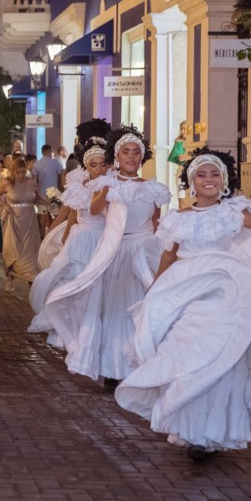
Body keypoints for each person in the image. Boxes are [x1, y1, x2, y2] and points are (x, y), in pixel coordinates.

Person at [115, 149, 251, 463]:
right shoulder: (179, 218)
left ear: (224, 180)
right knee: (187, 360)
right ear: (191, 182)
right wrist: (154, 293)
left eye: (215, 174)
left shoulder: (233, 213)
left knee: (223, 362)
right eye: (202, 174)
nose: (208, 180)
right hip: (188, 298)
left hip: (226, 297)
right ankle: (191, 430)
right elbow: (168, 257)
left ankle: (213, 433)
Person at [40, 125, 170, 386]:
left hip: (144, 251)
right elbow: (94, 209)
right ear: (117, 157)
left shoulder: (153, 189)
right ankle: (114, 368)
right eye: (125, 152)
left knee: (145, 307)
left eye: (136, 152)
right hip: (116, 251)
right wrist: (107, 191)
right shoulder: (106, 184)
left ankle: (143, 365)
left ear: (142, 157)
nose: (131, 156)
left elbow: (156, 223)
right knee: (115, 310)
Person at [29, 141, 110, 344]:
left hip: (103, 238)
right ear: (86, 167)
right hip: (80, 239)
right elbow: (73, 215)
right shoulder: (78, 188)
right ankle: (72, 326)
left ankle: (94, 327)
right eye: (93, 165)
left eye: (102, 164)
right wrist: (64, 239)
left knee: (99, 285)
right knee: (74, 280)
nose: (98, 169)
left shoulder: (111, 186)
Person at [0, 158, 49, 293]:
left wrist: (49, 203)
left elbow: (37, 198)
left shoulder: (31, 182)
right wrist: (4, 205)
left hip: (29, 220)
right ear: (13, 172)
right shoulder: (7, 182)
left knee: (31, 250)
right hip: (13, 220)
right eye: (18, 173)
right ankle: (9, 279)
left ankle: (31, 278)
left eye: (24, 172)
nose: (21, 175)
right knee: (12, 250)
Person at [33, 144, 64, 233]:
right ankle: (52, 233)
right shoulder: (56, 162)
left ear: (42, 152)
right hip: (54, 192)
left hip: (41, 193)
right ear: (50, 151)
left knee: (43, 214)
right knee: (56, 215)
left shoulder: (36, 164)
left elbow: (35, 181)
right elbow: (60, 177)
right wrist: (59, 187)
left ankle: (42, 234)